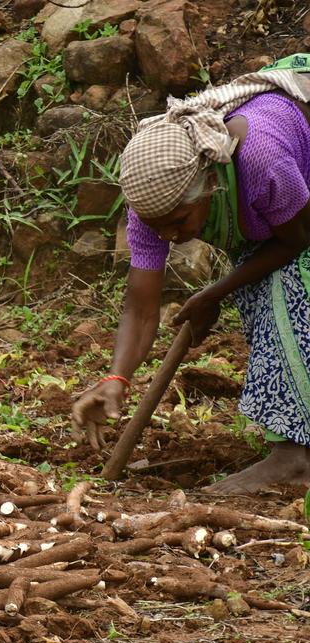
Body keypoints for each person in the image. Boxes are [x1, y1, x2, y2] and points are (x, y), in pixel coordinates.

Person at [72, 55, 310, 493]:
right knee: (260, 289)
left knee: (286, 285)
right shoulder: (153, 206)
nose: (169, 235)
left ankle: (295, 457)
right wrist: (115, 378)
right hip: (286, 215)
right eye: (157, 226)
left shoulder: (259, 157)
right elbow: (141, 309)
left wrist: (212, 293)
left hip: (299, 212)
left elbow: (297, 240)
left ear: (209, 185)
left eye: (179, 220)